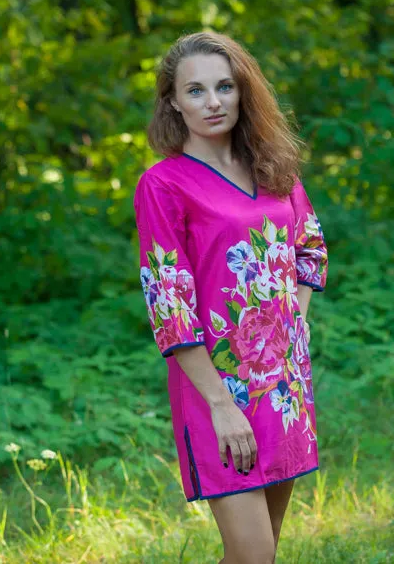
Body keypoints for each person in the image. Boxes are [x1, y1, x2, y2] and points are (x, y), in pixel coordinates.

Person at [133, 31, 328, 564]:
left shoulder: (274, 167)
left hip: (283, 385)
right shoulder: (164, 185)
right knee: (253, 554)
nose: (213, 101)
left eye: (224, 87)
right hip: (215, 389)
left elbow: (308, 250)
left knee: (260, 552)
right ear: (173, 100)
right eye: (195, 91)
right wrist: (222, 405)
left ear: (243, 91)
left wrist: (297, 326)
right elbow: (169, 304)